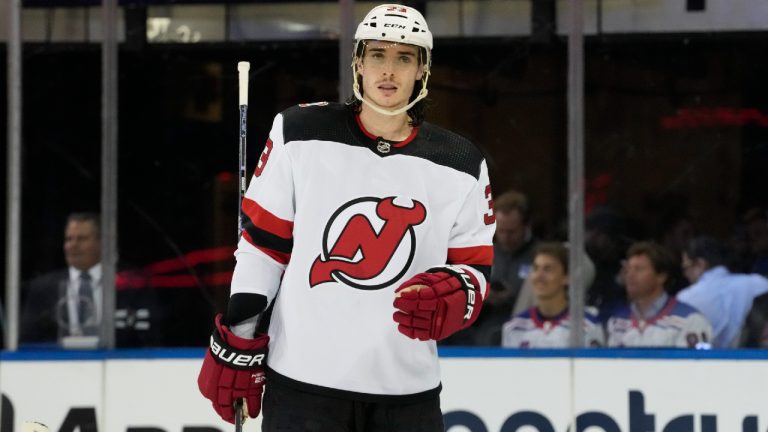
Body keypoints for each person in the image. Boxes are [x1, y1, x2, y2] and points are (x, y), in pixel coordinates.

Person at [196, 4, 495, 431]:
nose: (388, 70)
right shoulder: (299, 132)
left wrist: (460, 292)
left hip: (406, 395)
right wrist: (239, 338)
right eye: (377, 54)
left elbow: (475, 268)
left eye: (403, 57)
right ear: (358, 62)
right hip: (302, 387)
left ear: (422, 71)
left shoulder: (461, 161)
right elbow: (263, 248)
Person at [19, 212, 163, 347]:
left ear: (102, 242)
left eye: (82, 239)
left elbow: (150, 338)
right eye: (69, 239)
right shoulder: (43, 287)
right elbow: (27, 339)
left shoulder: (133, 283)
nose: (73, 245)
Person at [606, 241, 711, 348]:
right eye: (627, 270)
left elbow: (699, 363)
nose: (630, 275)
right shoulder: (616, 322)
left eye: (639, 269)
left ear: (661, 276)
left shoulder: (691, 320)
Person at [501, 242, 604, 348]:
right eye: (536, 268)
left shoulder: (587, 326)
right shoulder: (514, 327)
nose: (539, 276)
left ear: (566, 277)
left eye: (547, 269)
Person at [677, 235, 768, 348]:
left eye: (686, 267)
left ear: (700, 264)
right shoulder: (757, 283)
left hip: (704, 362)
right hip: (751, 360)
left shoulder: (685, 298)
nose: (685, 274)